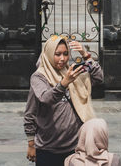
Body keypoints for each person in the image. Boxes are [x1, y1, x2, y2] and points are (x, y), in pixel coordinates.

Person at [24, 35, 104, 166]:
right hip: (48, 148)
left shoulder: (71, 72)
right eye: (58, 54)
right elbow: (43, 100)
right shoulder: (39, 77)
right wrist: (31, 143)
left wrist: (86, 55)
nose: (62, 59)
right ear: (49, 54)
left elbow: (98, 78)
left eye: (66, 54)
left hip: (75, 146)